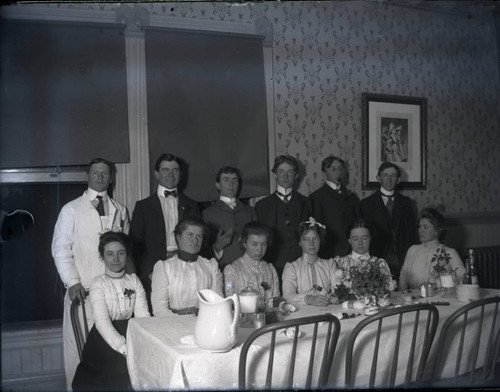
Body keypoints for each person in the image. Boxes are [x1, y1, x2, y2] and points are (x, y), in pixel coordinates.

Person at [52, 157, 130, 388]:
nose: (100, 177)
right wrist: (72, 281)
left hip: (112, 296)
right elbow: (60, 249)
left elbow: (123, 251)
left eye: (105, 173)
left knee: (111, 357)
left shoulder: (121, 210)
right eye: (95, 173)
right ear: (87, 176)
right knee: (80, 357)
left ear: (111, 177)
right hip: (82, 295)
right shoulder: (71, 210)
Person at [72, 232, 150, 391]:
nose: (116, 259)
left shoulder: (134, 281)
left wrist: (145, 342)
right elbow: (101, 321)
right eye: (110, 254)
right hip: (104, 339)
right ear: (102, 257)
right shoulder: (98, 284)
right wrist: (123, 347)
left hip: (130, 331)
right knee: (119, 369)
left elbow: (143, 317)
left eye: (121, 253)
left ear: (127, 255)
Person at [129, 153, 200, 303]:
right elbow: (136, 246)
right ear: (156, 174)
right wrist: (148, 271)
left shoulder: (192, 205)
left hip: (185, 267)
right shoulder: (143, 206)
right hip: (154, 270)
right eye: (165, 170)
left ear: (181, 174)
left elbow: (198, 240)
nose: (170, 175)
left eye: (175, 170)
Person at [151, 216, 224, 316]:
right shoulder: (164, 268)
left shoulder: (211, 266)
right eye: (190, 235)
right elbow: (159, 310)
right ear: (178, 237)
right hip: (172, 324)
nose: (195, 240)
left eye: (199, 236)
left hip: (205, 321)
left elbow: (218, 302)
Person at [360, 162, 417, 280]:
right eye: (385, 175)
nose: (389, 180)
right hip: (377, 258)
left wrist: (408, 258)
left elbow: (411, 233)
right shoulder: (366, 204)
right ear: (378, 178)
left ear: (399, 179)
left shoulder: (406, 203)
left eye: (393, 176)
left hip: (401, 258)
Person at [255, 155, 307, 279]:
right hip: (273, 263)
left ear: (296, 176)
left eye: (290, 172)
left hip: (301, 263)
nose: (285, 176)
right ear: (275, 175)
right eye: (281, 171)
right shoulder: (262, 205)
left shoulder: (306, 203)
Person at [304, 156, 360, 259]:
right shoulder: (316, 198)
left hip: (350, 251)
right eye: (333, 169)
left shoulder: (351, 197)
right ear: (324, 173)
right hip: (328, 252)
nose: (338, 172)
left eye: (340, 169)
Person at [202, 166, 256, 268]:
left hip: (248, 270)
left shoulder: (250, 211)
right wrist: (217, 247)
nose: (231, 184)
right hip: (222, 269)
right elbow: (202, 251)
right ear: (218, 185)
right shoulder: (207, 214)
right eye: (226, 180)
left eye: (234, 180)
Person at [399, 208, 465, 291]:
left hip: (441, 300)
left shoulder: (449, 252)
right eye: (419, 226)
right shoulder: (412, 250)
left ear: (436, 231)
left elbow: (463, 280)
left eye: (425, 227)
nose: (421, 230)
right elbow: (403, 278)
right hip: (415, 300)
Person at [282, 218, 337, 306]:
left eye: (315, 239)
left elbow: (338, 288)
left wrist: (333, 297)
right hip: (302, 314)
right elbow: (287, 296)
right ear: (299, 242)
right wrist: (309, 299)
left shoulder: (330, 265)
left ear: (320, 240)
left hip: (327, 311)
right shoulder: (292, 267)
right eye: (306, 239)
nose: (311, 243)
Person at [224, 221, 280, 299]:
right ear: (244, 243)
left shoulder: (270, 269)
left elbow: (276, 299)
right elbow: (229, 300)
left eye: (263, 244)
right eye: (254, 244)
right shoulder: (232, 270)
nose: (259, 249)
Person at [333, 218, 394, 288]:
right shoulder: (340, 263)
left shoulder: (380, 264)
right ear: (349, 240)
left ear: (370, 238)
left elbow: (389, 292)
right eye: (355, 239)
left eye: (364, 238)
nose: (360, 243)